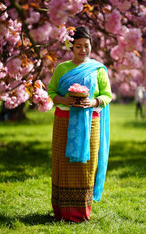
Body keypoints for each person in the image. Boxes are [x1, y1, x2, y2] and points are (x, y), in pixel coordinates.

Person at [48, 26, 112, 222]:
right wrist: (62, 99)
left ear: (91, 46)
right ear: (71, 47)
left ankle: (81, 213)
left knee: (86, 165)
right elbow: (51, 92)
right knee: (62, 164)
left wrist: (94, 102)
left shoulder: (98, 69)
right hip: (64, 121)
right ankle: (62, 212)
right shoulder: (62, 68)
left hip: (90, 123)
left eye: (86, 46)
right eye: (78, 46)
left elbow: (107, 95)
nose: (83, 50)